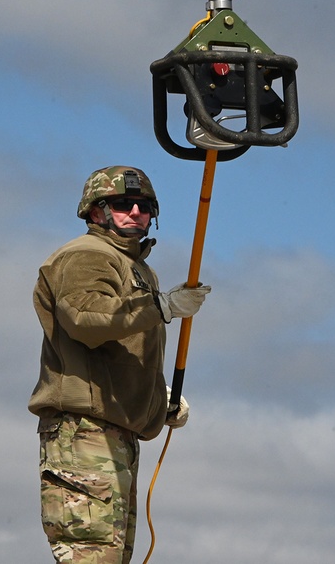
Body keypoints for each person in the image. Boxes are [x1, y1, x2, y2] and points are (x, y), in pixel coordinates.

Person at [29, 165, 211, 563]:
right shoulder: (86, 256)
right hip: (85, 435)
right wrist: (161, 307)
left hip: (114, 435)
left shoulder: (136, 268)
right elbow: (86, 319)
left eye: (143, 206)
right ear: (95, 212)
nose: (134, 212)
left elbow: (118, 355)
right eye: (121, 204)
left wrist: (154, 403)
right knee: (92, 557)